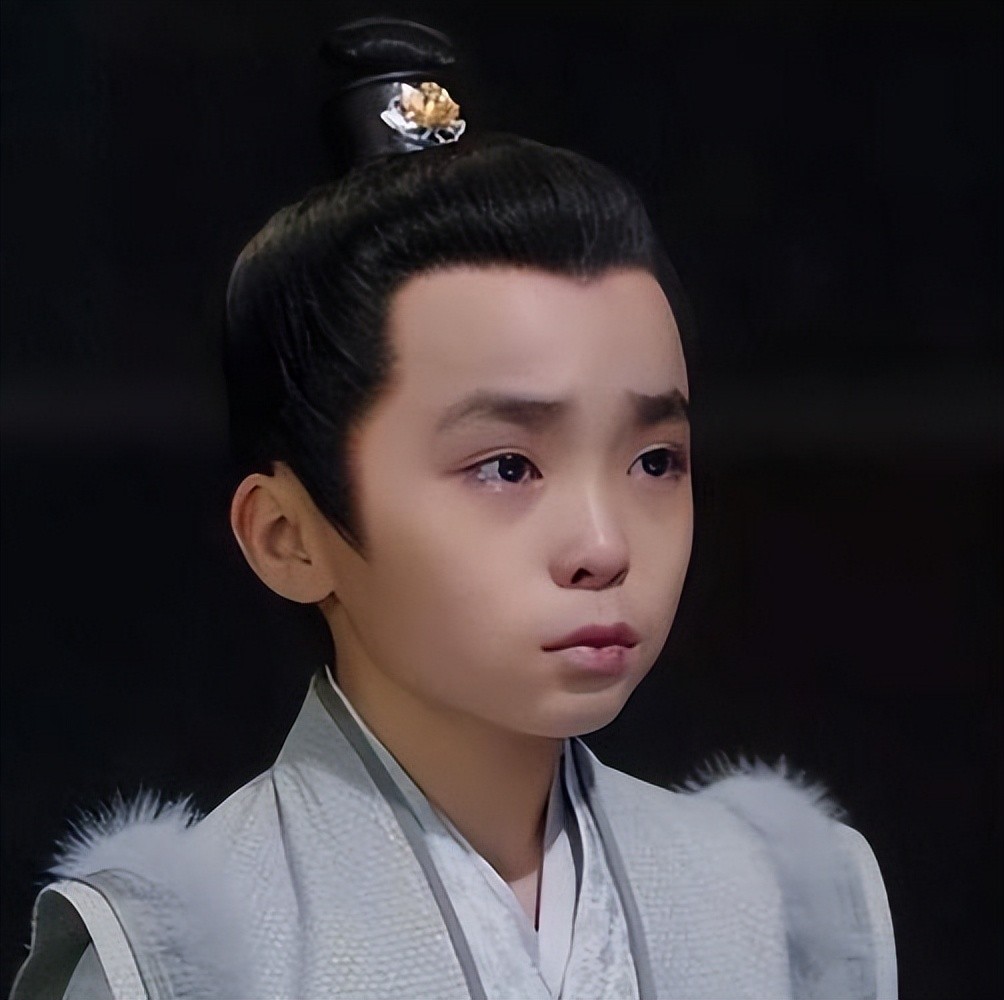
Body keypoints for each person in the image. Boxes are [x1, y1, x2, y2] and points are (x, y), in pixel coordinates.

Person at [11, 17, 896, 1000]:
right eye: (507, 467)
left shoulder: (777, 911)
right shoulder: (183, 960)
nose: (604, 545)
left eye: (654, 461)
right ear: (288, 536)